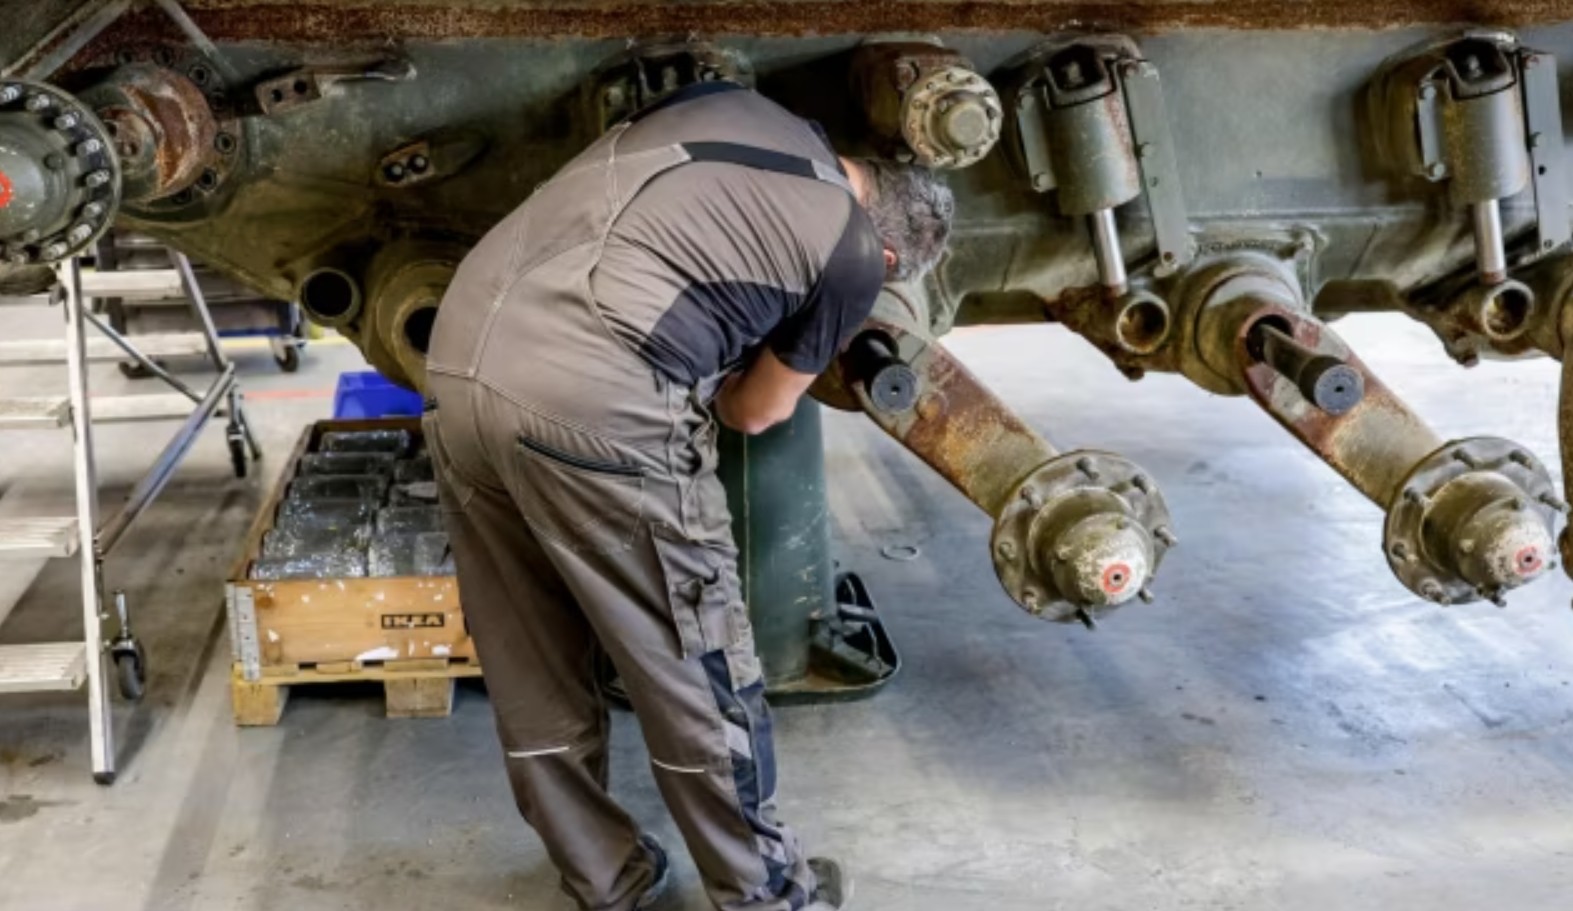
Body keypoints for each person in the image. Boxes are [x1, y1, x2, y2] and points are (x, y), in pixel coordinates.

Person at [422, 79, 953, 911]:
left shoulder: (742, 106)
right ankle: (765, 892)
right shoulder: (853, 255)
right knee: (696, 659)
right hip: (590, 398)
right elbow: (755, 409)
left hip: (457, 358)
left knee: (529, 661)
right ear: (892, 258)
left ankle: (608, 879)